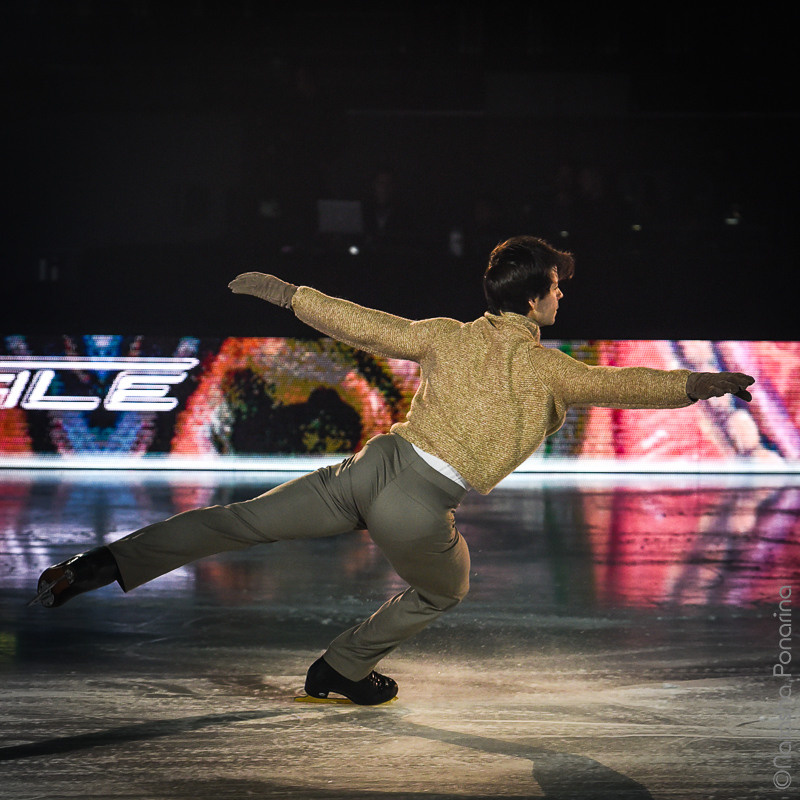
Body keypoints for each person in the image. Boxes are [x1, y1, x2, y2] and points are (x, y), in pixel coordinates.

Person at [29, 235, 755, 705]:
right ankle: (341, 669)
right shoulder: (545, 370)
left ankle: (97, 566)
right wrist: (697, 385)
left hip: (372, 467)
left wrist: (290, 295)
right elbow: (628, 385)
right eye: (558, 287)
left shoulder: (447, 336)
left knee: (235, 521)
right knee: (449, 584)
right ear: (534, 299)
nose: (564, 296)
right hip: (417, 500)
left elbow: (363, 324)